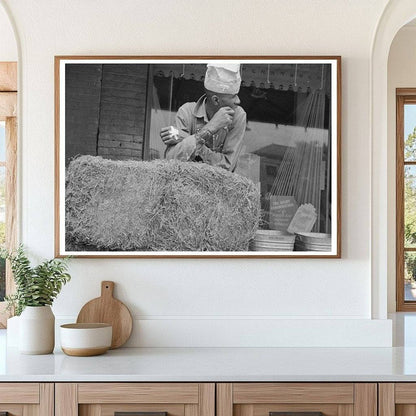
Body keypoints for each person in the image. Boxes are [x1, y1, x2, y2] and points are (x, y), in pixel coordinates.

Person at [160, 63, 247, 172]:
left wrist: (188, 139)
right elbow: (171, 159)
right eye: (233, 96)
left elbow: (227, 166)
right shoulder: (186, 111)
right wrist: (209, 129)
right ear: (216, 100)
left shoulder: (238, 115)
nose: (238, 101)